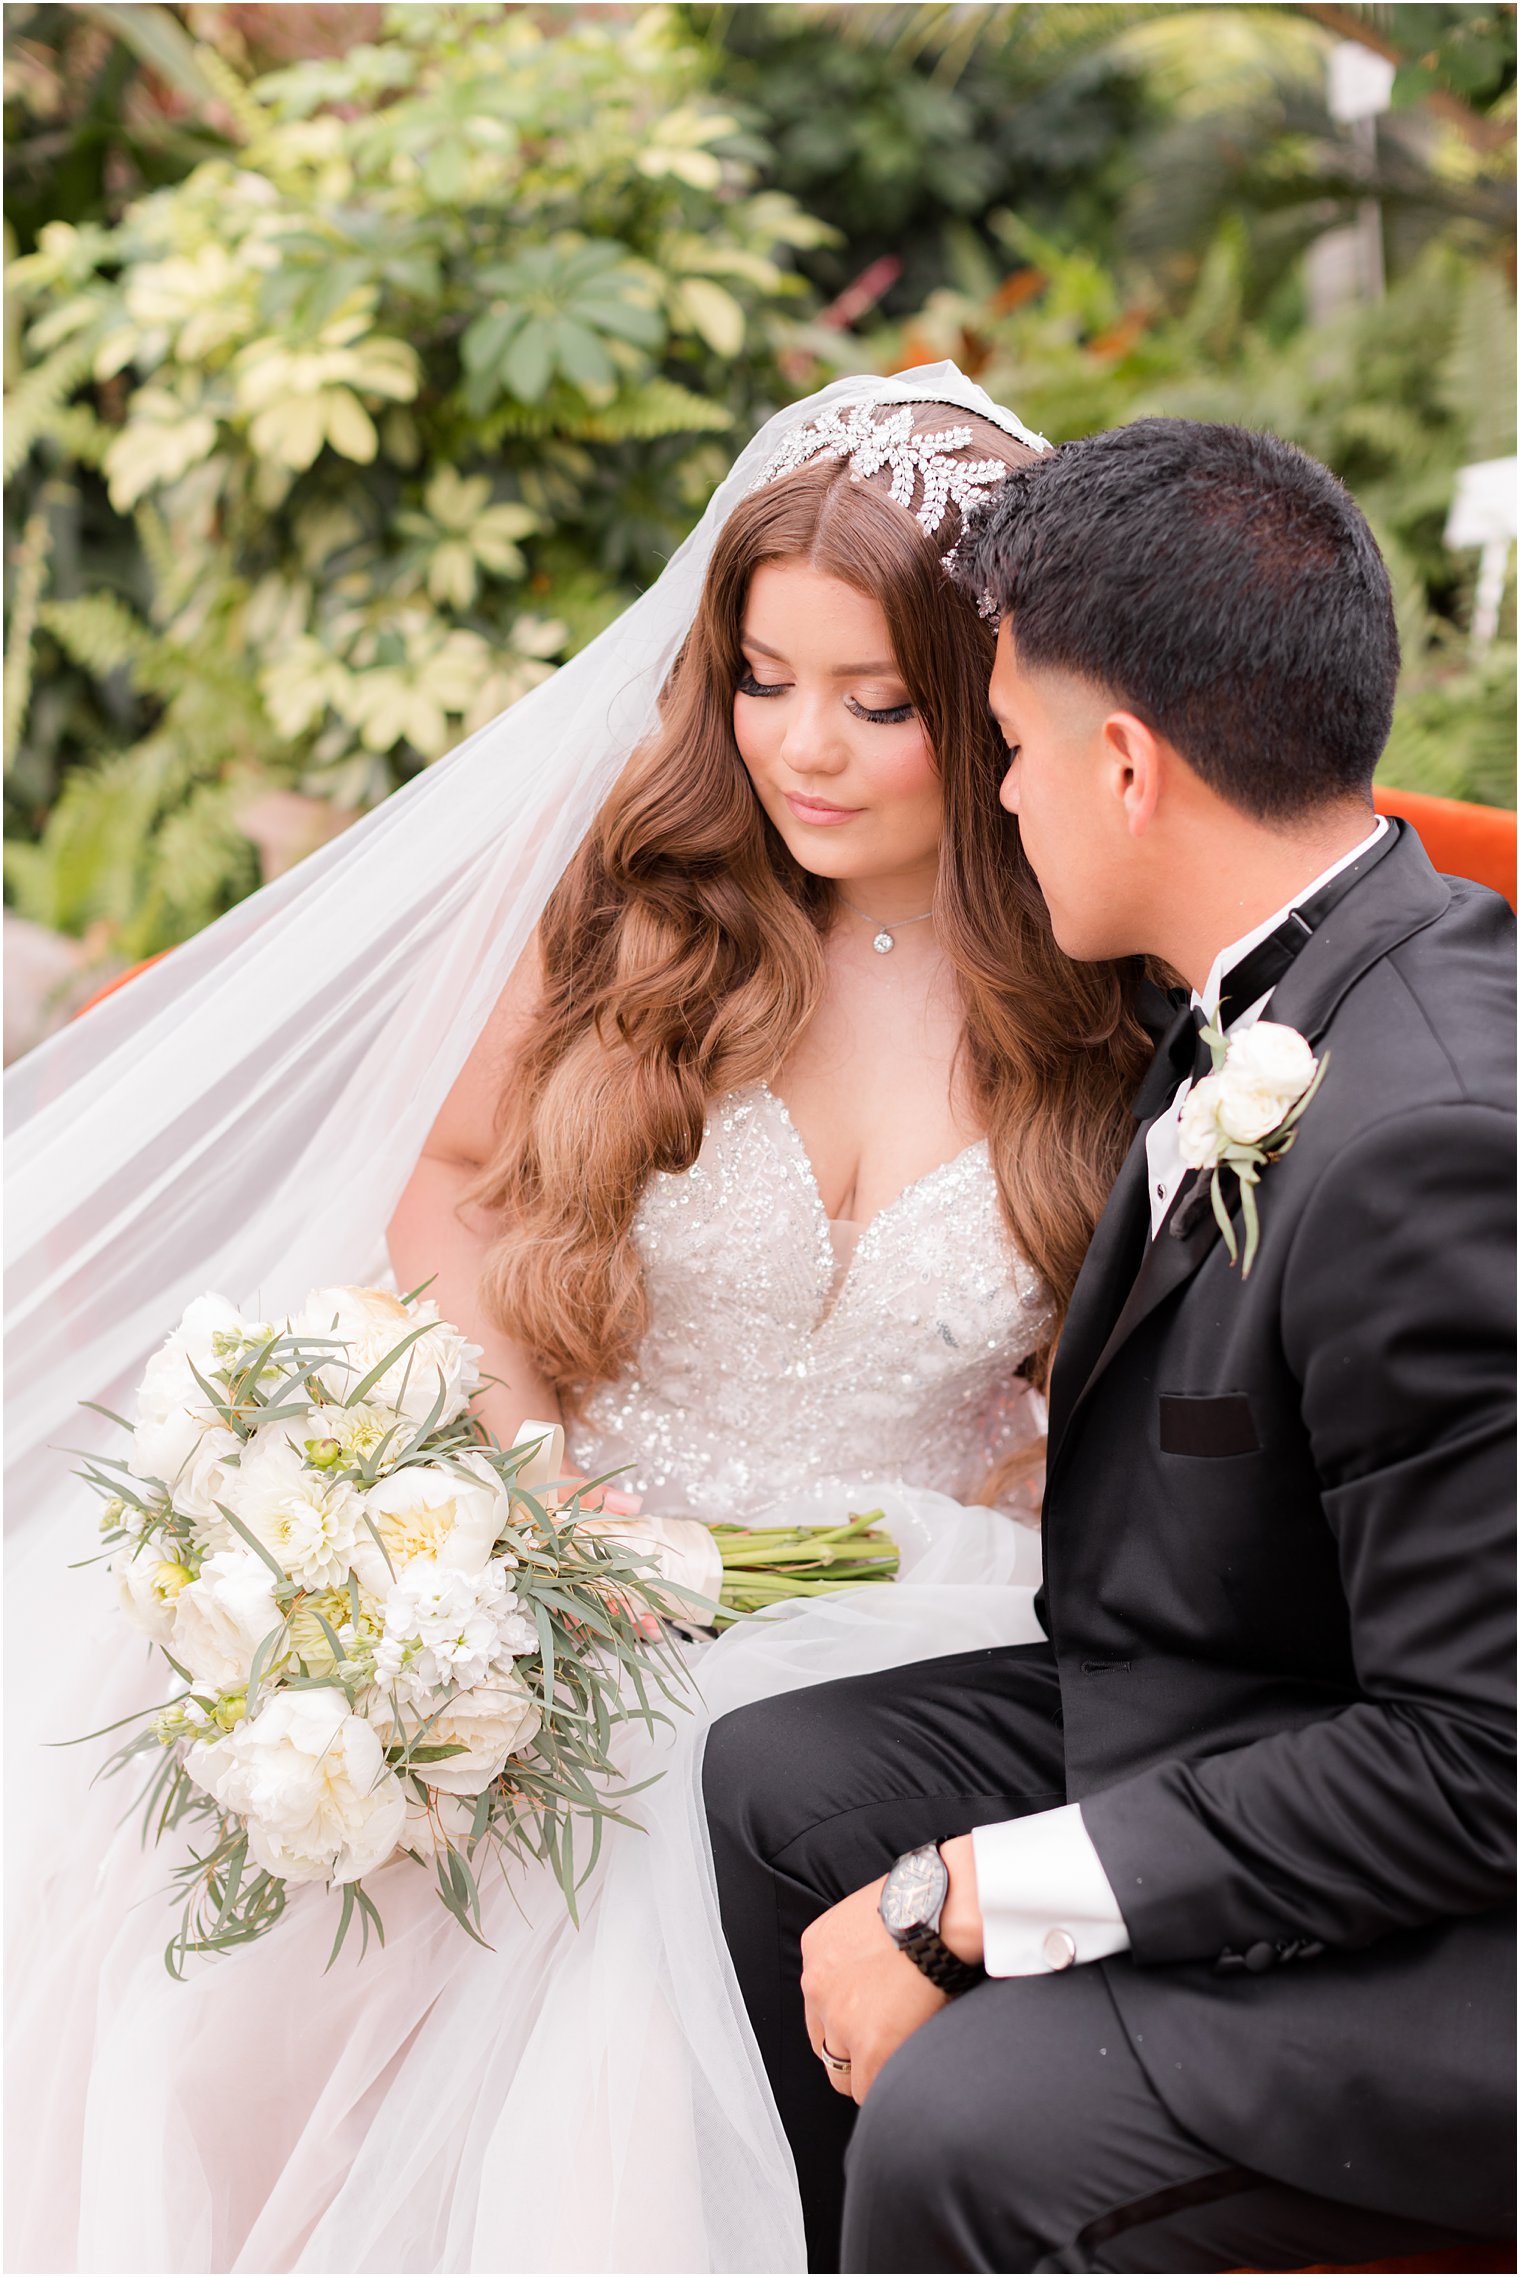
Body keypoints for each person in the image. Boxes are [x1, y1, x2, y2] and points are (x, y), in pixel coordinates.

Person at [4, 369, 1154, 2274]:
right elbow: (457, 1192)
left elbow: (1120, 1367)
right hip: (585, 1550)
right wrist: (520, 1496)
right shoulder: (652, 910)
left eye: (878, 703)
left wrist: (1037, 1484)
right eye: (763, 680)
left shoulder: (1101, 984)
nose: (805, 746)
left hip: (928, 1591)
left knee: (673, 1805)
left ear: (991, 703)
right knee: (532, 1798)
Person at [704, 417, 1517, 2273]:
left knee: (970, 2123)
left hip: (1469, 1927)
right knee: (778, 1788)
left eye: (1005, 750)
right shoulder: (1276, 980)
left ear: (1129, 766)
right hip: (1242, 1702)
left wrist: (977, 1894)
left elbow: (1485, 1761)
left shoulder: (1436, 1139)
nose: (996, 801)